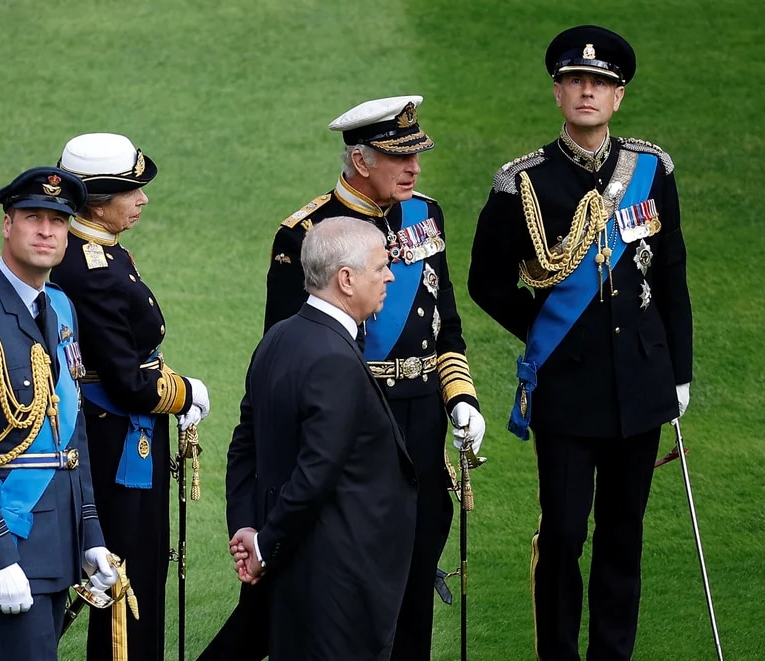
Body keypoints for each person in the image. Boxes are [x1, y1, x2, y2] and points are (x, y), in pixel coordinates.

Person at [200, 96, 486, 661]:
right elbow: (286, 358)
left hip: (421, 424)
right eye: (398, 159)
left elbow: (444, 320)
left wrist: (461, 397)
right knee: (326, 587)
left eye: (416, 157)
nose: (414, 169)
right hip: (350, 432)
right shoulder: (304, 234)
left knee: (416, 570)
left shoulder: (426, 215)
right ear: (360, 160)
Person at [467, 25, 693, 660]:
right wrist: (548, 332)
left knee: (624, 535)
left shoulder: (653, 170)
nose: (587, 91)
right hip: (567, 392)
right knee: (564, 533)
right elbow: (486, 282)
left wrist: (680, 371)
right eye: (575, 81)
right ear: (558, 93)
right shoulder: (523, 182)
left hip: (642, 385)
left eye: (600, 83)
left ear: (617, 98)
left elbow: (671, 272)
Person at [0, 167, 120, 661]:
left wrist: (91, 535)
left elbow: (71, 436)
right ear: (7, 224)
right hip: (9, 547)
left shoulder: (59, 308)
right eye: (33, 217)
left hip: (58, 546)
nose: (46, 231)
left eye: (58, 221)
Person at [50, 133, 211, 661]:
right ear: (97, 199)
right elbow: (126, 380)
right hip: (114, 432)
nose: (142, 200)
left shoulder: (97, 249)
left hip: (121, 429)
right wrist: (185, 392)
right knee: (129, 572)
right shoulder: (90, 268)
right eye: (132, 191)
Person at [228, 216, 418, 660]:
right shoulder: (334, 356)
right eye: (380, 267)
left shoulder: (279, 337)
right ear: (346, 279)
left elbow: (244, 446)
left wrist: (244, 527)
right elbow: (316, 473)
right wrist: (261, 546)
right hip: (338, 576)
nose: (390, 274)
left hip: (299, 572)